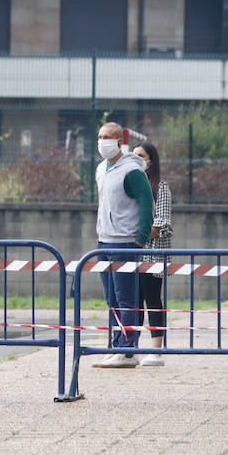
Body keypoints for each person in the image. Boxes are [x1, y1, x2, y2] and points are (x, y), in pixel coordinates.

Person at [92, 122, 154, 368]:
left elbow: (146, 204)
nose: (102, 141)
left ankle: (128, 349)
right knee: (111, 299)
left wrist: (139, 240)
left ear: (119, 141)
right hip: (104, 242)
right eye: (99, 136)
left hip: (124, 243)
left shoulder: (132, 172)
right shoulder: (101, 169)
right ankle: (117, 344)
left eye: (107, 137)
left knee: (126, 298)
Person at [134, 141, 172, 367]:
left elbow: (162, 223)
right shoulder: (132, 183)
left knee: (152, 299)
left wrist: (137, 239)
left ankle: (155, 351)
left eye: (141, 155)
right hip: (132, 255)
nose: (137, 158)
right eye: (134, 154)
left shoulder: (161, 187)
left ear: (151, 159)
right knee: (133, 302)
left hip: (152, 254)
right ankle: (130, 348)